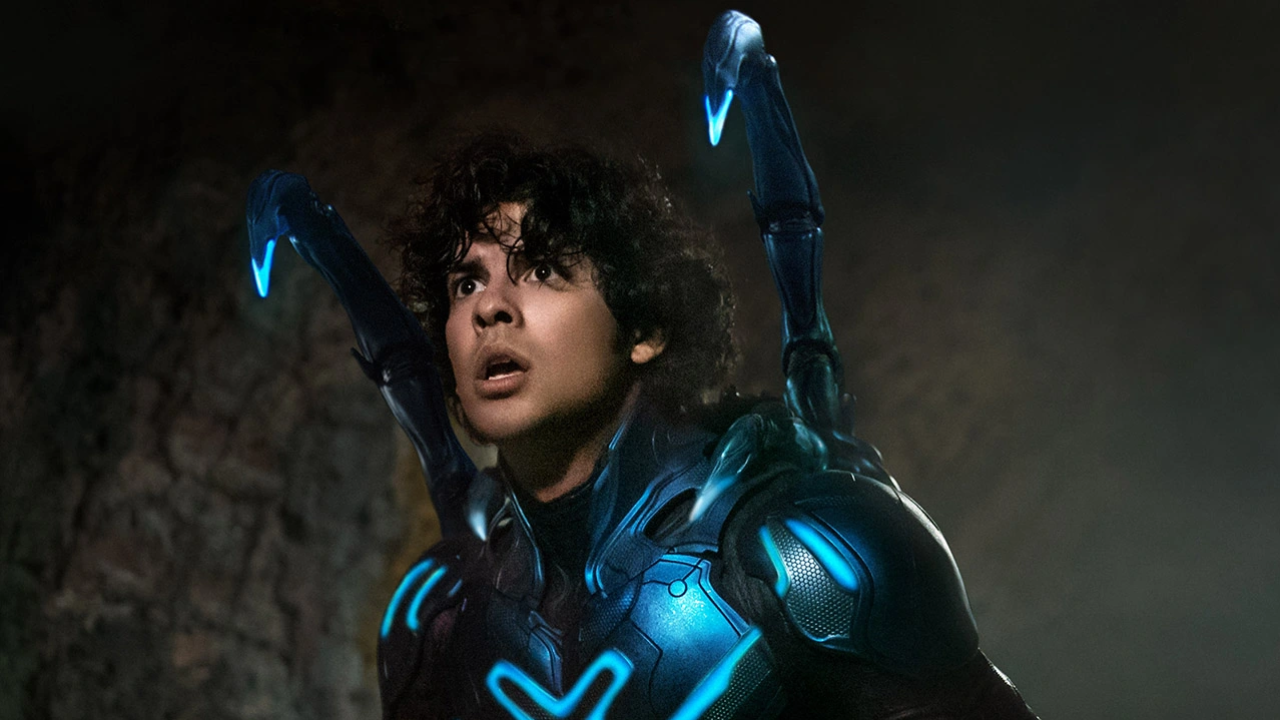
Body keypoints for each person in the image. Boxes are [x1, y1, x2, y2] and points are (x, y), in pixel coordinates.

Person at [245, 13, 1040, 719]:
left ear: (646, 327)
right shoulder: (442, 620)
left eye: (542, 270)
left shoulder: (809, 559)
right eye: (465, 282)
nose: (491, 308)